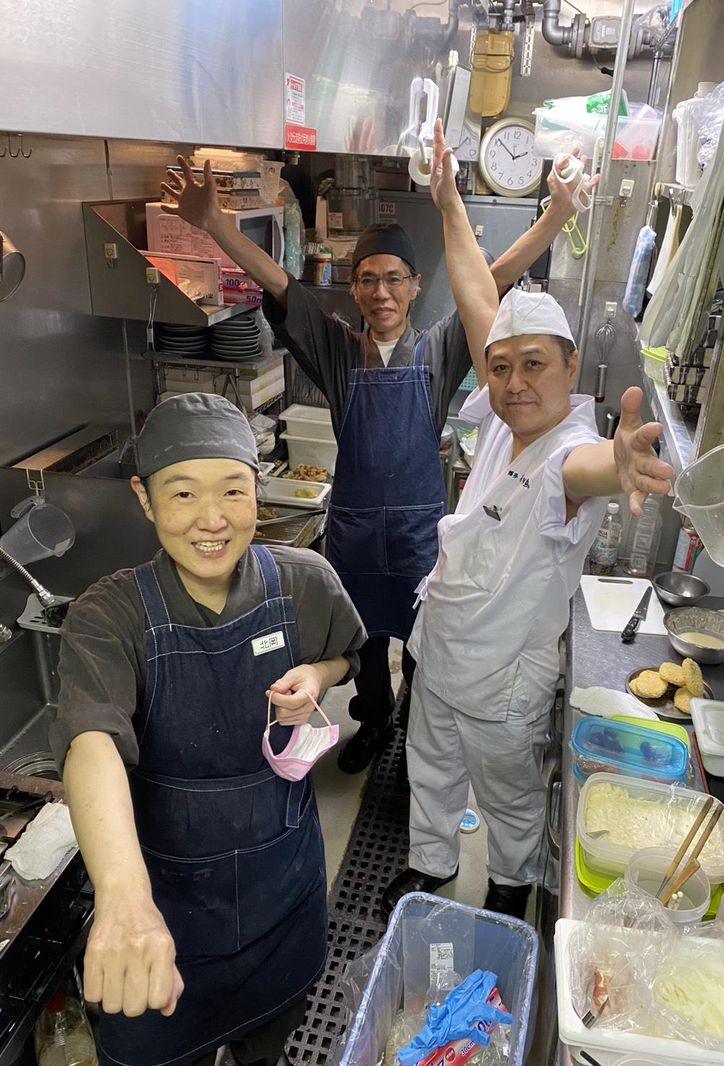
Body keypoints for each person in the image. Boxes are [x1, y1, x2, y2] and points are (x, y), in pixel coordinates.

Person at [161, 156, 587, 775]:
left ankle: (418, 733)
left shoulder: (439, 348)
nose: (380, 292)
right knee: (361, 643)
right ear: (354, 289)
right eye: (367, 280)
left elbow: (491, 280)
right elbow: (281, 285)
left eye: (393, 279)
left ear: (415, 285)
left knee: (425, 645)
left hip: (420, 534)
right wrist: (216, 226)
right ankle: (375, 720)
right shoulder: (337, 348)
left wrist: (556, 215)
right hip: (356, 531)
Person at [382, 121, 674, 920]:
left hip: (504, 679)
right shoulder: (503, 421)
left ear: (571, 368)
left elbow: (592, 470)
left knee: (509, 794)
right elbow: (478, 295)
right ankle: (430, 864)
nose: (513, 382)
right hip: (442, 650)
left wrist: (621, 464)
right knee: (431, 770)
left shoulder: (567, 453)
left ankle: (510, 886)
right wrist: (448, 200)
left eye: (534, 365)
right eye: (502, 367)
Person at [51, 394, 367, 1066]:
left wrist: (318, 674)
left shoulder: (305, 583)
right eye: (183, 493)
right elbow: (91, 741)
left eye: (232, 490)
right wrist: (125, 902)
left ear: (258, 490)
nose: (212, 519)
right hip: (166, 918)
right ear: (144, 498)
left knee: (273, 1036)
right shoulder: (109, 616)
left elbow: (348, 655)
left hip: (283, 897)